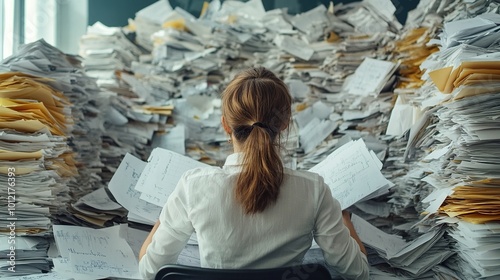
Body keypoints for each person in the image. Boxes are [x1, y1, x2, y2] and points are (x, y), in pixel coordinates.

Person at [138, 67, 369, 279]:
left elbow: (149, 271)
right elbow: (357, 273)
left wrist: (164, 218)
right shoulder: (314, 190)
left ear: (226, 125)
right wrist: (344, 219)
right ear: (285, 123)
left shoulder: (192, 187)